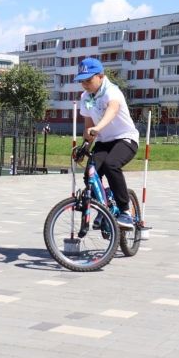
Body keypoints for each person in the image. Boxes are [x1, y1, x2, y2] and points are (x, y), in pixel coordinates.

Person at [75, 57, 139, 229]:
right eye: (82, 81)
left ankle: (125, 212)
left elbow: (112, 111)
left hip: (125, 138)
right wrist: (85, 146)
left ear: (101, 76)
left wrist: (98, 127)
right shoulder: (85, 97)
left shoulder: (112, 91)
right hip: (104, 141)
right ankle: (105, 209)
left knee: (111, 165)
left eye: (89, 80)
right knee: (90, 173)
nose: (85, 84)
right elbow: (88, 127)